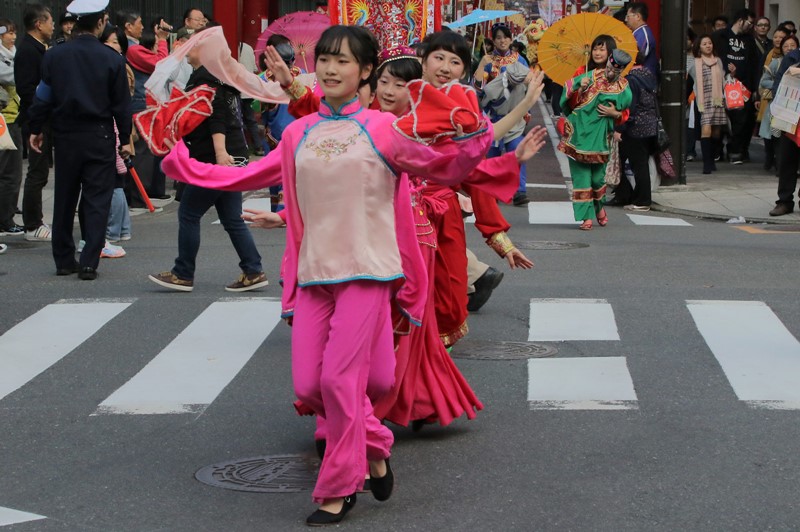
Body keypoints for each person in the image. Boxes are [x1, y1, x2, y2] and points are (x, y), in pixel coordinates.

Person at [161, 25, 498, 525]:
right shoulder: (298, 133)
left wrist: (475, 137)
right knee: (310, 387)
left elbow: (443, 168)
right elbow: (246, 175)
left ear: (365, 71)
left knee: (340, 380)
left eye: (343, 61)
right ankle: (375, 443)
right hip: (314, 275)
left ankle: (338, 488)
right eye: (324, 59)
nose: (331, 69)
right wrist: (179, 160)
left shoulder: (385, 129)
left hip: (367, 272)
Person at [149, 35, 268, 293]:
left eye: (193, 46)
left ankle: (183, 273)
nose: (188, 50)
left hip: (215, 159)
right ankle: (253, 269)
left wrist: (220, 153)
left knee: (189, 213)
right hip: (231, 155)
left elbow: (217, 117)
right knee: (232, 218)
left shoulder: (207, 78)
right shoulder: (222, 76)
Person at [26, 0, 132, 280]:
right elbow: (122, 105)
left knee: (65, 196)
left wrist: (35, 128)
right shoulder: (112, 59)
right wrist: (125, 138)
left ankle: (63, 259)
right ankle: (88, 261)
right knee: (97, 198)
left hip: (65, 135)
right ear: (100, 23)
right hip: (99, 134)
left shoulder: (55, 55)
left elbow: (43, 96)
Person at [559, 49, 633, 230]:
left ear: (621, 70)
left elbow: (625, 113)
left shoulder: (623, 87)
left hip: (601, 138)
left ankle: (599, 207)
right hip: (579, 135)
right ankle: (586, 217)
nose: (610, 71)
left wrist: (614, 113)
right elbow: (567, 97)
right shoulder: (589, 75)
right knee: (582, 179)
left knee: (598, 179)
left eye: (615, 70)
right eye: (609, 67)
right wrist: (579, 88)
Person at [474, 23, 531, 205]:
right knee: (492, 154)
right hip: (492, 116)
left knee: (517, 149)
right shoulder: (487, 60)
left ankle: (519, 191)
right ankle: (493, 190)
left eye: (505, 37)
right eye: (498, 37)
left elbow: (529, 84)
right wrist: (482, 65)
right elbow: (477, 90)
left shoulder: (519, 60)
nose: (502, 41)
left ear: (511, 38)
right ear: (493, 40)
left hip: (514, 115)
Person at [15, 3, 53, 243]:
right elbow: (27, 89)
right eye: (50, 21)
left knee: (41, 171)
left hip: (44, 117)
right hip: (36, 118)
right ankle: (32, 224)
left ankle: (36, 221)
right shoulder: (28, 50)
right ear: (38, 24)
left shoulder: (39, 48)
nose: (53, 26)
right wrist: (39, 115)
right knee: (37, 172)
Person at [100, 25, 132, 251]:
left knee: (114, 182)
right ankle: (122, 229)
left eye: (115, 42)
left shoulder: (118, 67)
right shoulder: (117, 65)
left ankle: (112, 231)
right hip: (117, 129)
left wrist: (125, 138)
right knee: (117, 180)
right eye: (107, 41)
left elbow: (121, 105)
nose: (109, 46)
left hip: (115, 129)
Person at [613, 52, 658, 210]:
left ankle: (642, 201)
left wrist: (620, 128)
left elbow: (629, 108)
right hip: (650, 125)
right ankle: (627, 195)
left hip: (635, 128)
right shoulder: (648, 75)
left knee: (637, 165)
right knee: (641, 163)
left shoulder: (631, 79)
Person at [715, 8, 760, 165]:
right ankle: (717, 150)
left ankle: (735, 151)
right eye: (749, 23)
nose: (751, 26)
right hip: (722, 84)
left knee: (742, 121)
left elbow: (754, 65)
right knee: (719, 119)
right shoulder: (720, 36)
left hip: (742, 87)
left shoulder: (749, 40)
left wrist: (754, 88)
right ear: (740, 20)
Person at [768, 45, 800, 216]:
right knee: (787, 160)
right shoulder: (792, 57)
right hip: (790, 115)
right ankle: (784, 201)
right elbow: (778, 84)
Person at [688, 35, 727, 174]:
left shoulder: (718, 61)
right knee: (706, 128)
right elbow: (689, 80)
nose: (708, 46)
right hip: (703, 101)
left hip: (718, 99)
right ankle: (707, 164)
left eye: (709, 43)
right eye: (704, 44)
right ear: (699, 47)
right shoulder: (694, 63)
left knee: (716, 131)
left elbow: (723, 79)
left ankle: (713, 157)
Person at [0, 20, 23, 238]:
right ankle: (5, 220)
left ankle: (6, 216)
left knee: (10, 172)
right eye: (9, 33)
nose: (13, 37)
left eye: (14, 32)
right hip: (4, 121)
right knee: (10, 173)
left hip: (12, 118)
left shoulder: (12, 55)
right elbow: (12, 77)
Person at [757, 29, 791, 171]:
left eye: (792, 46)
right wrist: (781, 83)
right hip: (777, 104)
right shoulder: (776, 62)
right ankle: (774, 162)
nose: (789, 48)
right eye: (786, 46)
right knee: (775, 134)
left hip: (794, 105)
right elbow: (763, 81)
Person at [625, 2, 659, 77]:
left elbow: (637, 57)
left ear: (638, 16)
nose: (626, 20)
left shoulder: (643, 34)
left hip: (643, 78)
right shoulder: (638, 32)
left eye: (628, 16)